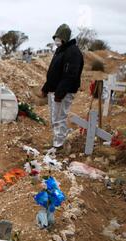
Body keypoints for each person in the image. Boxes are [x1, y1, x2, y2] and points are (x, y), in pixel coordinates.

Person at [41, 24, 84, 153]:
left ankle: (58, 146)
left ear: (64, 37)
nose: (56, 39)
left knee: (59, 118)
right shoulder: (61, 50)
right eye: (56, 37)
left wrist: (60, 93)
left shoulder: (73, 52)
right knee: (55, 118)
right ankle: (58, 141)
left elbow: (70, 75)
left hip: (63, 92)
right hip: (55, 90)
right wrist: (46, 88)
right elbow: (55, 72)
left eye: (58, 37)